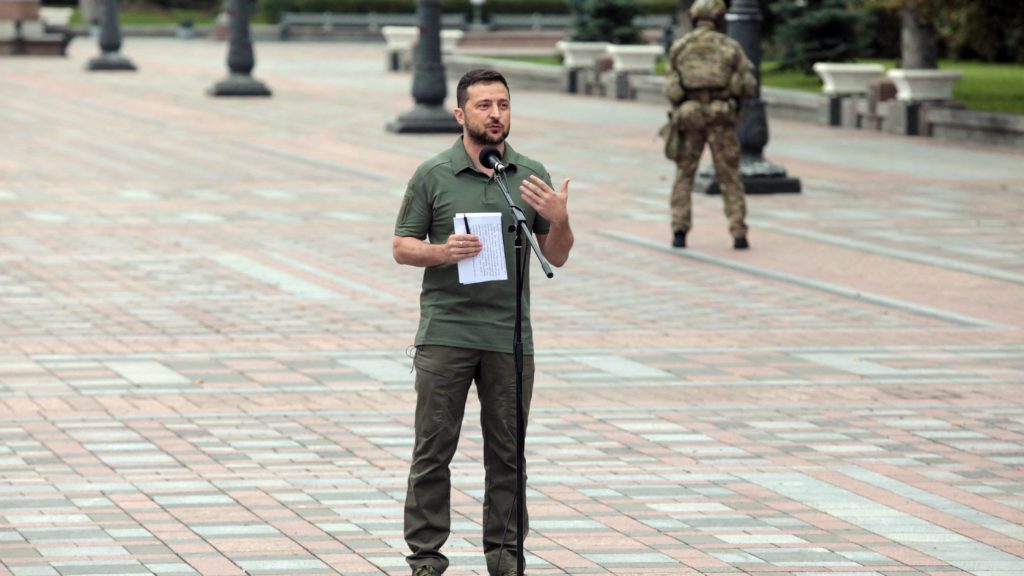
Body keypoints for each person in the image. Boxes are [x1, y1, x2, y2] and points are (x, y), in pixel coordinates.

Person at [392, 68, 574, 576]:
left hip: (510, 338)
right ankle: (426, 559)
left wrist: (559, 218)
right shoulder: (433, 174)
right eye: (484, 105)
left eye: (503, 105)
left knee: (508, 455)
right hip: (447, 334)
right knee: (433, 451)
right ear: (460, 114)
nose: (496, 114)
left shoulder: (529, 174)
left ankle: (506, 557)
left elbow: (555, 256)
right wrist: (442, 251)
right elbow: (401, 247)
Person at [663, 0, 757, 250]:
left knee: (685, 174)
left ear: (695, 17)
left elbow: (671, 89)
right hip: (721, 116)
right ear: (719, 18)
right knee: (729, 175)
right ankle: (738, 233)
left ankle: (679, 231)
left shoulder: (681, 47)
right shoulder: (730, 46)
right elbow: (748, 85)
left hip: (690, 114)